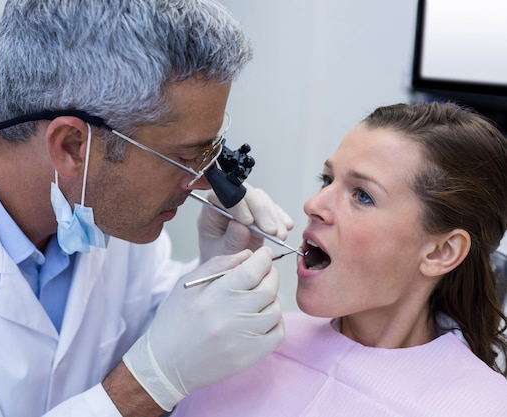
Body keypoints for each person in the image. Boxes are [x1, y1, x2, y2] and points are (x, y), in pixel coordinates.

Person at [0, 1, 294, 416]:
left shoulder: (103, 208)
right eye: (185, 158)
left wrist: (209, 280)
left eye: (211, 151)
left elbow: (149, 323)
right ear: (73, 147)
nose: (203, 181)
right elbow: (155, 363)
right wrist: (151, 381)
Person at [172, 102, 507, 417]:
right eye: (327, 180)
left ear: (440, 252)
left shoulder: (482, 405)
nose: (313, 204)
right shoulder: (241, 344)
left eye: (362, 195)